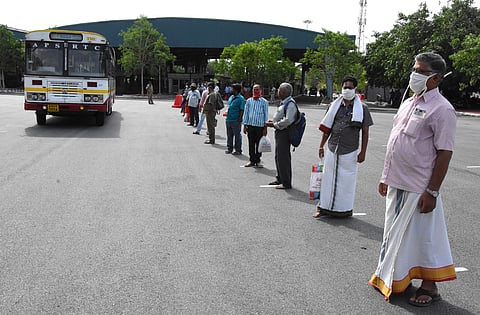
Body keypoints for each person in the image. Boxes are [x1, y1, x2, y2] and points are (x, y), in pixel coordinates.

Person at [369, 52, 457, 306]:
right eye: (414, 69)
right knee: (397, 237)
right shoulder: (408, 102)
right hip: (397, 182)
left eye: (420, 71)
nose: (414, 75)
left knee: (423, 238)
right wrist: (385, 177)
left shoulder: (443, 110)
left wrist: (432, 191)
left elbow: (444, 153)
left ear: (435, 78)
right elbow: (395, 143)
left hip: (419, 187)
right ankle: (397, 278)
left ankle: (430, 287)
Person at [313, 76, 373, 218]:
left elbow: (365, 132)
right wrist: (321, 145)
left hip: (350, 150)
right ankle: (323, 208)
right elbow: (327, 128)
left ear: (355, 89)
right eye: (345, 87)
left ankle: (343, 210)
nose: (347, 90)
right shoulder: (334, 106)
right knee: (327, 179)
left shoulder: (362, 108)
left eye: (350, 87)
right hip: (333, 147)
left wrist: (363, 152)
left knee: (346, 181)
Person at [265, 82, 296, 189]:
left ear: (283, 92)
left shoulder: (290, 103)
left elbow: (288, 120)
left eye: (279, 89)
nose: (277, 91)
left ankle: (286, 182)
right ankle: (280, 178)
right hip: (280, 131)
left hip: (284, 132)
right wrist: (273, 121)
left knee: (283, 157)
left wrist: (274, 124)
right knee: (278, 156)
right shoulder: (284, 102)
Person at [242, 84, 269, 167]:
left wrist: (265, 127)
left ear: (260, 90)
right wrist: (244, 125)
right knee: (251, 143)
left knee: (259, 144)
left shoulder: (264, 102)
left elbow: (266, 115)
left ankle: (258, 160)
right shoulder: (249, 101)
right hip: (250, 125)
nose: (255, 91)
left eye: (257, 89)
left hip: (260, 126)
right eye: (254, 89)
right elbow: (246, 113)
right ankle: (251, 160)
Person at [225, 83, 245, 155]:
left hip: (235, 120)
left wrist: (239, 119)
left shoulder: (241, 99)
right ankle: (229, 148)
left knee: (237, 135)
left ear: (236, 90)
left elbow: (242, 110)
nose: (231, 90)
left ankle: (238, 149)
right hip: (229, 119)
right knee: (229, 135)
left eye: (232, 89)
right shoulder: (231, 97)